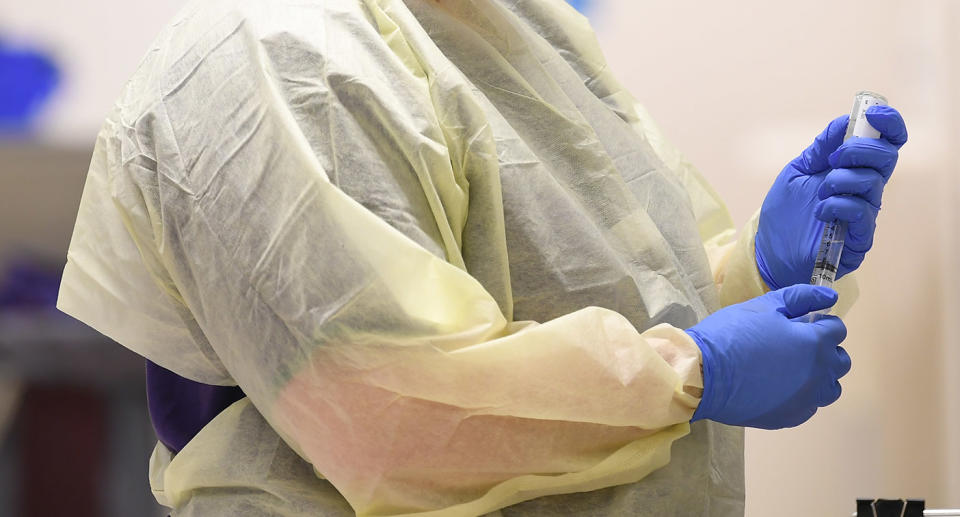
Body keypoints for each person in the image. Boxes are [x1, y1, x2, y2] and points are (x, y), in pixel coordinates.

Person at [56, 0, 907, 515]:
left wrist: (749, 274)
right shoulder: (280, 55)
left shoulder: (507, 23)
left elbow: (565, 288)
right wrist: (693, 367)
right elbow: (392, 410)